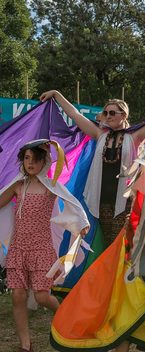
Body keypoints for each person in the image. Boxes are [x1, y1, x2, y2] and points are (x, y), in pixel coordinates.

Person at [40, 90, 145, 352]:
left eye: (112, 113)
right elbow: (73, 113)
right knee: (107, 258)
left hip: (127, 208)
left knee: (126, 259)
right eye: (104, 113)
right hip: (99, 207)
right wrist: (57, 95)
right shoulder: (99, 134)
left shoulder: (136, 136)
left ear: (124, 116)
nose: (106, 116)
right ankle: (111, 308)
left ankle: (132, 310)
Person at [0, 140, 89, 352]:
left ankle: (65, 319)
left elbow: (73, 204)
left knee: (41, 295)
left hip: (42, 248)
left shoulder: (51, 187)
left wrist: (81, 224)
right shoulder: (18, 185)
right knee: (18, 295)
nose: (30, 163)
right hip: (18, 248)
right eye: (27, 158)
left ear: (45, 162)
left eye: (35, 159)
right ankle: (25, 344)